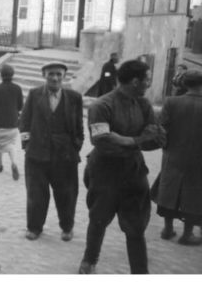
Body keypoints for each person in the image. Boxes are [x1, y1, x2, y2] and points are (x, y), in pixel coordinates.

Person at [79, 60, 166, 275]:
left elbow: (153, 139)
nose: (148, 84)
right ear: (135, 81)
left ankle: (140, 273)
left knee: (136, 227)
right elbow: (103, 142)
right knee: (98, 219)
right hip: (104, 173)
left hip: (134, 173)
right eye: (147, 79)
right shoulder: (101, 106)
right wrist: (137, 140)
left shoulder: (144, 105)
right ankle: (89, 260)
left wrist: (135, 140)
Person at [19, 61, 84, 242]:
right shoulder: (34, 95)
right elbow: (24, 122)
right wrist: (28, 146)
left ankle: (67, 227)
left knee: (67, 195)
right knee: (36, 195)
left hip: (65, 157)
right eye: (51, 74)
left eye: (58, 74)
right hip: (37, 156)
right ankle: (34, 228)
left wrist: (75, 145)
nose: (55, 78)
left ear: (64, 76)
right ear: (44, 76)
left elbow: (79, 126)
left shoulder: (74, 98)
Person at [154, 69, 202, 246]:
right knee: (194, 194)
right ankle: (187, 234)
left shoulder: (172, 102)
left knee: (169, 190)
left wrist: (166, 147)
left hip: (173, 155)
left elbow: (161, 128)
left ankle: (167, 229)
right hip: (199, 159)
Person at [0, 64, 23, 181]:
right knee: (11, 144)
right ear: (13, 75)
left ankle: (0, 164)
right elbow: (21, 106)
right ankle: (14, 163)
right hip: (12, 123)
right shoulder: (17, 88)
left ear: (1, 75)